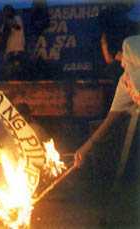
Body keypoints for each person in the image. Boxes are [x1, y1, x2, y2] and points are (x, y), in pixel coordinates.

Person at [74, 35, 140, 226]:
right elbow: (111, 119)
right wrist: (86, 147)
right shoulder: (126, 80)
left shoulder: (134, 64)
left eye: (123, 56)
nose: (121, 61)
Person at [0, 5, 26, 80]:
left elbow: (17, 27)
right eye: (5, 11)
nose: (6, 13)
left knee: (18, 67)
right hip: (9, 48)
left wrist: (8, 21)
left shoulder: (16, 18)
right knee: (9, 67)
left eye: (7, 11)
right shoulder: (5, 23)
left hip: (18, 47)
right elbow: (3, 36)